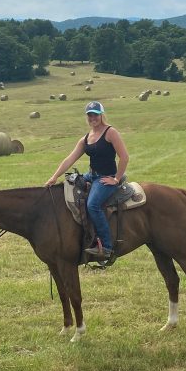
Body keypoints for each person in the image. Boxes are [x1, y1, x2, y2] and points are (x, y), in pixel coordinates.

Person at [46, 101, 129, 259]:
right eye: (90, 115)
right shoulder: (86, 138)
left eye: (96, 114)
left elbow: (124, 157)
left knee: (93, 205)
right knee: (68, 185)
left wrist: (116, 178)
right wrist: (54, 176)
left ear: (101, 115)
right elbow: (69, 159)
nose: (93, 118)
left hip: (106, 177)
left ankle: (106, 247)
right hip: (91, 174)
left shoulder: (110, 132)